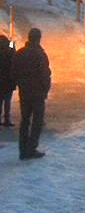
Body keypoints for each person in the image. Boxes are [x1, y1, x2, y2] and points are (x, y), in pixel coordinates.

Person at [12, 27, 51, 160]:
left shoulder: (20, 53)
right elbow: (45, 74)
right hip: (37, 93)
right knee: (37, 121)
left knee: (25, 120)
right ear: (38, 39)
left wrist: (20, 84)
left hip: (24, 92)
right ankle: (31, 148)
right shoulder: (40, 54)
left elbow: (13, 71)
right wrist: (45, 89)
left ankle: (23, 149)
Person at [0, 33, 14, 127]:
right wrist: (12, 42)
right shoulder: (8, 51)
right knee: (7, 101)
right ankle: (7, 119)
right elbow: (13, 53)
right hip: (8, 81)